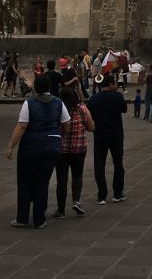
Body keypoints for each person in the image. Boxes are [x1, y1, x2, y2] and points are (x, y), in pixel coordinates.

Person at [6, 73, 71, 229]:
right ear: (49, 87)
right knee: (42, 182)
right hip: (52, 146)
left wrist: (10, 145)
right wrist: (58, 135)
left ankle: (22, 218)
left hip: (30, 146)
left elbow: (22, 126)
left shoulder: (29, 103)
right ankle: (39, 219)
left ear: (35, 87)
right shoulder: (59, 103)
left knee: (24, 182)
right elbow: (66, 124)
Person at [85, 73, 126, 205]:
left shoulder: (94, 99)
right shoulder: (118, 96)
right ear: (110, 84)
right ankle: (117, 194)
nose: (115, 86)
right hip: (116, 134)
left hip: (100, 135)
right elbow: (124, 109)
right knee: (118, 164)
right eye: (114, 84)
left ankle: (102, 195)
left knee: (99, 165)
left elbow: (88, 114)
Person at [54, 87, 93, 218]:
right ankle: (76, 201)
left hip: (62, 149)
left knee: (62, 179)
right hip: (79, 148)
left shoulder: (58, 110)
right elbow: (91, 127)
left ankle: (61, 210)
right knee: (77, 175)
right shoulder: (82, 109)